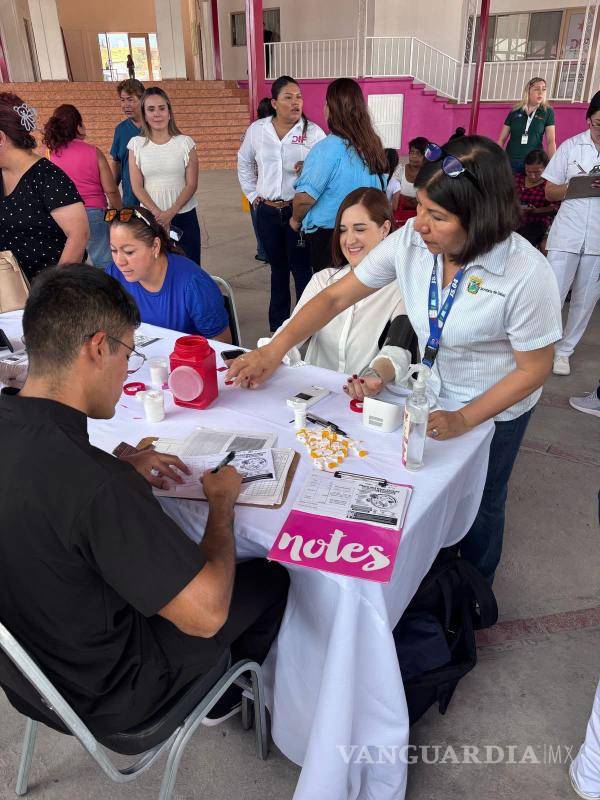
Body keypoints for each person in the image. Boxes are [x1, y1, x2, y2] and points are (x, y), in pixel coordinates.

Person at [227, 135, 563, 584]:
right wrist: (273, 349)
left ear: (481, 218)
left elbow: (533, 369)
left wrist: (464, 419)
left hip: (493, 406)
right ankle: (425, 580)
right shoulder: (410, 241)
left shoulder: (526, 274)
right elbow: (335, 297)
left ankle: (474, 593)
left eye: (437, 216)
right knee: (422, 490)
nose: (419, 224)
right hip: (428, 390)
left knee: (482, 500)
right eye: (420, 207)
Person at [0, 265, 289, 734]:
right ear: (97, 348)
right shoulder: (96, 485)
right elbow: (206, 613)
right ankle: (223, 695)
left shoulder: (45, 443)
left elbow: (41, 478)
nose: (125, 370)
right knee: (272, 578)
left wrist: (113, 467)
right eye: (127, 354)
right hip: (115, 695)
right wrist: (221, 507)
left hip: (29, 679)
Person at [257, 187, 415, 379]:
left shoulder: (402, 288)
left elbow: (397, 351)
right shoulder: (323, 280)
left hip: (370, 402)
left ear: (385, 229)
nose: (349, 240)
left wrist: (376, 375)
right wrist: (266, 354)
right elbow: (291, 332)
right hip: (315, 395)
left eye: (359, 229)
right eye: (342, 230)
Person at [237, 75, 325, 332]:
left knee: (301, 271)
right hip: (268, 211)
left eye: (298, 97)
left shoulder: (313, 133)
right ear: (274, 103)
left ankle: (305, 325)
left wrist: (309, 169)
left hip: (298, 212)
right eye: (288, 97)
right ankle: (278, 326)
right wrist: (253, 196)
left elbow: (324, 171)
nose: (295, 102)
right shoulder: (258, 130)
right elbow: (244, 163)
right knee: (277, 270)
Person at [292, 78, 388, 272]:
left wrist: (295, 220)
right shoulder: (374, 145)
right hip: (369, 233)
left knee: (333, 293)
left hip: (333, 239)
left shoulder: (327, 148)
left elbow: (304, 200)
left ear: (330, 108)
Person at [105, 206, 231, 341]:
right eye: (114, 250)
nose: (119, 261)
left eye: (129, 252)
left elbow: (223, 346)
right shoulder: (114, 274)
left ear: (155, 246)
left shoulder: (193, 284)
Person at [0, 92, 88, 282]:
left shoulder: (47, 177)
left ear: (1, 138)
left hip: (52, 295)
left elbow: (78, 234)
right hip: (11, 294)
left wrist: (54, 289)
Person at [542, 91, 600, 376]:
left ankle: (564, 352)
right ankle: (543, 348)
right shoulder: (570, 147)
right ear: (589, 119)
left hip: (598, 238)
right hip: (567, 233)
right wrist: (574, 187)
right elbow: (549, 190)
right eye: (599, 123)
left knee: (585, 298)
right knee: (553, 293)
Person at [43, 103, 122, 268]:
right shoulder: (93, 151)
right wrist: (120, 212)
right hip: (94, 213)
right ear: (78, 126)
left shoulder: (50, 154)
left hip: (63, 215)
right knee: (103, 261)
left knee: (74, 263)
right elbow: (111, 190)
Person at [128, 86, 201, 264]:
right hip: (151, 218)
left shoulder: (185, 143)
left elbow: (191, 184)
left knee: (188, 265)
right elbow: (137, 186)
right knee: (155, 267)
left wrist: (171, 212)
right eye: (151, 109)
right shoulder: (136, 145)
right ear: (144, 115)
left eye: (162, 108)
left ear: (169, 111)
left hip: (183, 214)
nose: (157, 114)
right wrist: (158, 214)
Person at [497, 77, 556, 173]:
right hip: (510, 161)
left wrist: (554, 163)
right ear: (528, 91)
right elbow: (501, 139)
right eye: (537, 89)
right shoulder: (515, 110)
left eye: (544, 89)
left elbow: (551, 141)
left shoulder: (547, 112)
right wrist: (494, 157)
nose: (541, 92)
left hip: (533, 164)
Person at [110, 78, 145, 207]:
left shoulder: (155, 127)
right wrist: (112, 196)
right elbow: (117, 163)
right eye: (122, 100)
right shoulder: (120, 130)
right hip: (130, 200)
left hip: (156, 198)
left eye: (130, 99)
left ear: (142, 100)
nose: (125, 105)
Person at [514, 149, 557, 250]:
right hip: (513, 221)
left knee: (522, 245)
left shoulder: (549, 185)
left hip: (536, 224)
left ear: (546, 168)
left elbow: (555, 208)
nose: (532, 176)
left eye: (537, 172)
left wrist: (536, 211)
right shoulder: (516, 179)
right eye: (529, 172)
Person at [249, 96, 273, 264]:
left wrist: (250, 191)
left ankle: (263, 251)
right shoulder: (276, 132)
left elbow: (244, 162)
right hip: (269, 189)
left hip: (257, 189)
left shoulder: (251, 131)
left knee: (258, 222)